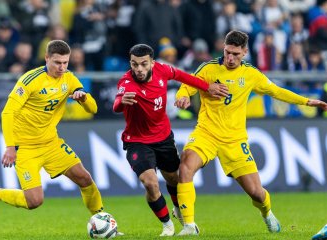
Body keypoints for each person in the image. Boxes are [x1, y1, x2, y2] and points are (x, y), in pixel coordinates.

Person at [174, 30, 327, 236]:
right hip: (206, 133)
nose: (230, 58)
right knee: (185, 166)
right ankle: (190, 226)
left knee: (257, 193)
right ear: (224, 48)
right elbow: (187, 85)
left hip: (235, 140)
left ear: (245, 52)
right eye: (228, 52)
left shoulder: (251, 74)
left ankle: (267, 213)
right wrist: (182, 96)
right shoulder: (209, 68)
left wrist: (306, 101)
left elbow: (276, 91)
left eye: (236, 54)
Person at [0, 40, 108, 229]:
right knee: (34, 201)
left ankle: (103, 222)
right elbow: (7, 112)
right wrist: (10, 147)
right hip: (26, 148)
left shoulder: (69, 79)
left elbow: (93, 109)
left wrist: (83, 97)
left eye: (65, 62)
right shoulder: (30, 80)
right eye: (57, 62)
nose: (62, 67)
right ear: (47, 58)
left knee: (84, 178)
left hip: (51, 143)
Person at [113, 44, 228, 236]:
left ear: (152, 62)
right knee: (150, 183)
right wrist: (120, 102)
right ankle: (167, 224)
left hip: (163, 137)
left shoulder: (162, 70)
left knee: (174, 178)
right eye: (134, 65)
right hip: (138, 140)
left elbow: (184, 77)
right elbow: (117, 104)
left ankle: (177, 209)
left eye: (143, 64)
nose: (139, 69)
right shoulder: (127, 83)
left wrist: (208, 87)